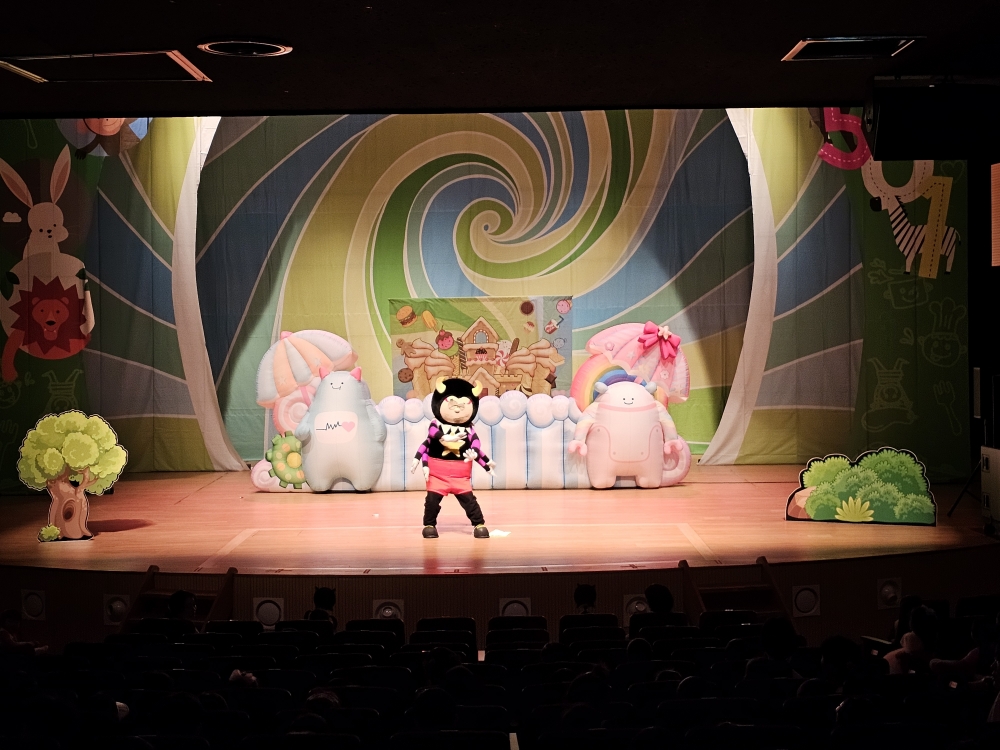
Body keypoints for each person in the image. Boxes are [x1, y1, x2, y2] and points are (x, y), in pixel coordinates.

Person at [411, 378, 495, 539]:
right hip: (437, 475)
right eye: (453, 405)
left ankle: (479, 524)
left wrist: (478, 456)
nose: (457, 410)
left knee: (469, 501)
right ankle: (429, 525)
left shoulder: (469, 429)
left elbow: (476, 443)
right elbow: (431, 437)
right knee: (432, 501)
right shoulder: (435, 424)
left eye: (462, 406)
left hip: (461, 476)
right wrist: (445, 439)